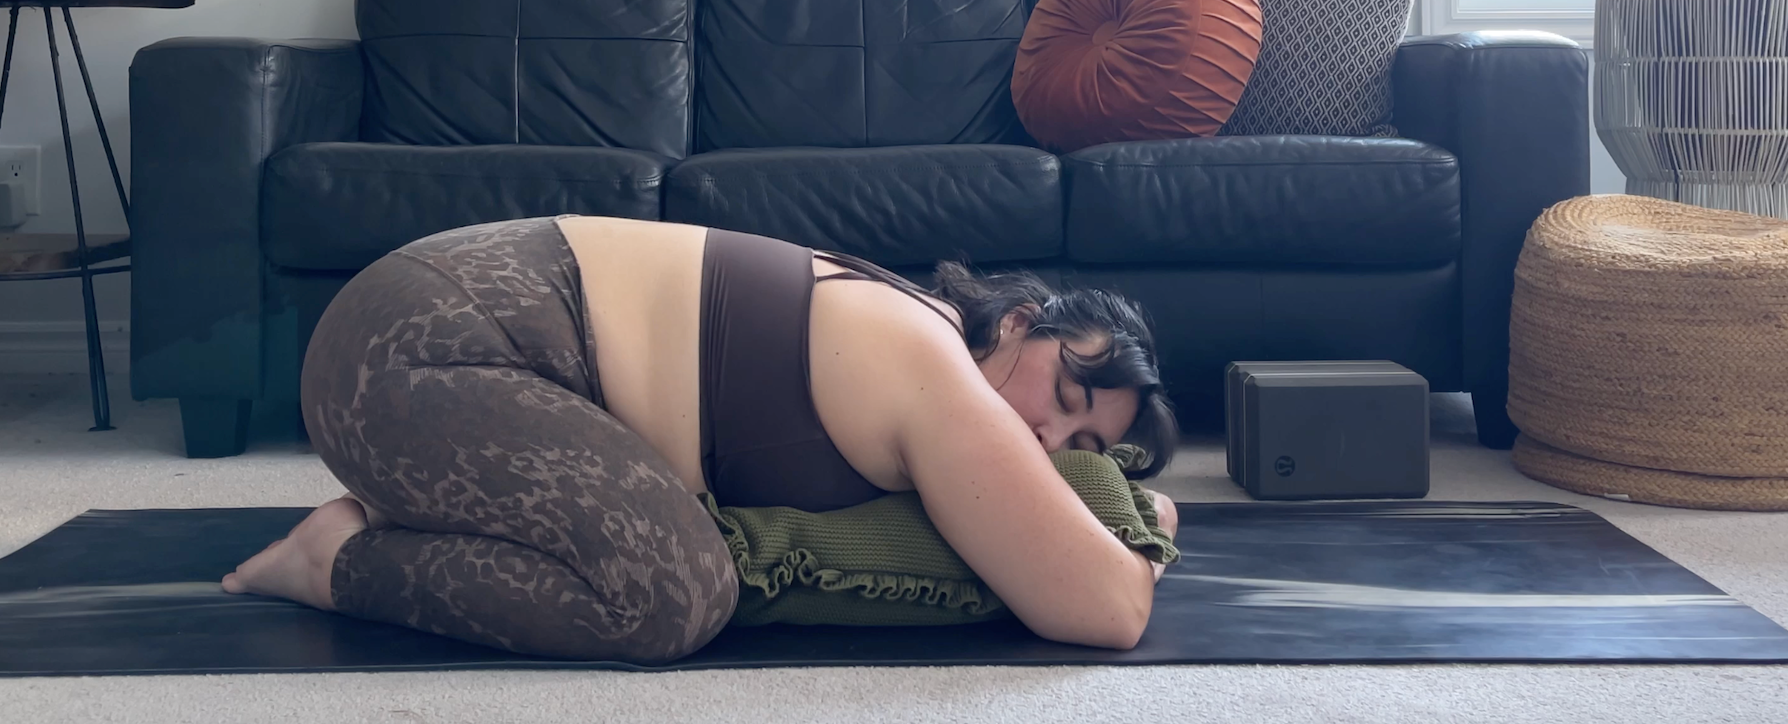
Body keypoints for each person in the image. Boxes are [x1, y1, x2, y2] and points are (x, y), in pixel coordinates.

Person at [221, 216, 1181, 663]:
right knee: (673, 596)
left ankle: (403, 505)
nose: (1045, 432)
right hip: (421, 348)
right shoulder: (937, 372)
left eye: (1076, 442)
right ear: (1016, 322)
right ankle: (337, 561)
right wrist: (1146, 524)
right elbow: (1103, 610)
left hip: (433, 348)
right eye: (1061, 387)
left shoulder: (928, 340)